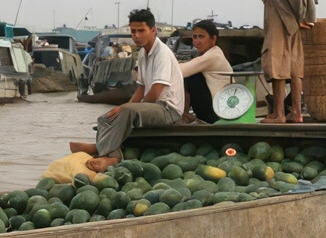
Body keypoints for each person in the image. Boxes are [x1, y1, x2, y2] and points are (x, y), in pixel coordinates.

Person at [70, 9, 183, 170]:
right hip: (153, 107)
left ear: (153, 30)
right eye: (133, 31)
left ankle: (108, 156)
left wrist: (131, 108)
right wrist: (123, 107)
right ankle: (105, 150)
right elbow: (142, 87)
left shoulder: (162, 53)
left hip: (168, 110)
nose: (136, 35)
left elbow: (157, 90)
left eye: (141, 31)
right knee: (106, 117)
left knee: (126, 111)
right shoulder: (144, 54)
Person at [178, 19, 233, 123]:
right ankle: (185, 114)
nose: (196, 41)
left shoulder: (214, 55)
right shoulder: (208, 54)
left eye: (201, 36)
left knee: (190, 75)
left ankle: (184, 114)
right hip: (216, 106)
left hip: (218, 111)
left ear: (213, 39)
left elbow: (181, 71)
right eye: (195, 37)